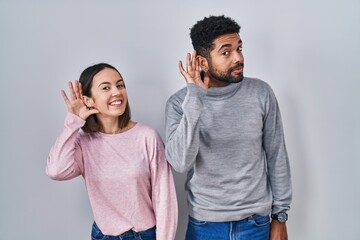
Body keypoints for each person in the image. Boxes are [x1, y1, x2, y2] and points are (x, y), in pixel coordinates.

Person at [165, 15, 292, 240]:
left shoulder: (261, 93)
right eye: (226, 52)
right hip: (205, 225)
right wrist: (195, 98)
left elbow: (276, 156)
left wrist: (280, 216)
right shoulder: (179, 103)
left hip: (256, 223)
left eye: (239, 48)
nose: (238, 58)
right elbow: (179, 163)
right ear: (202, 61)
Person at [46, 63, 178, 240]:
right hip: (103, 236)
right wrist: (73, 122)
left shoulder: (147, 136)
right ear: (89, 100)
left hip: (145, 235)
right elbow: (56, 170)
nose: (117, 92)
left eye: (120, 85)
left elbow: (164, 198)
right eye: (106, 88)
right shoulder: (83, 144)